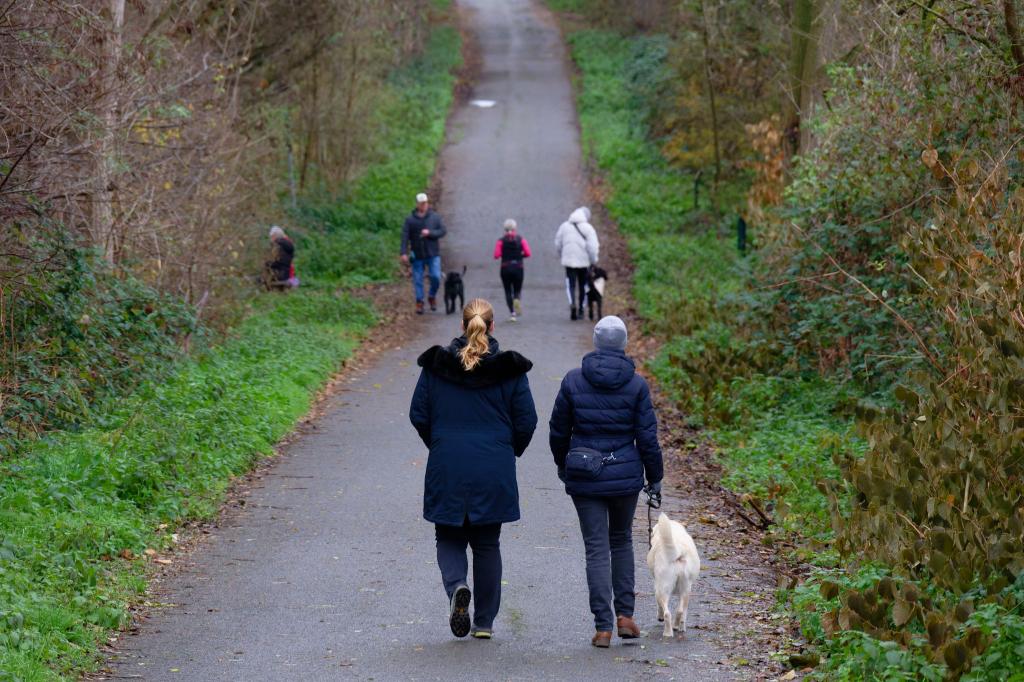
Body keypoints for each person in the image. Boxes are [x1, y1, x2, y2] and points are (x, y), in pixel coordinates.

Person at [410, 298, 538, 640]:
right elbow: (527, 421)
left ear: (461, 326)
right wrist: (508, 450)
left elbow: (418, 414)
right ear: (492, 326)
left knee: (448, 535)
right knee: (486, 543)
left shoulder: (437, 367)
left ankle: (456, 587)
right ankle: (483, 622)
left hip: (447, 462)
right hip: (492, 466)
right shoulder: (509, 370)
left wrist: (438, 443)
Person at [548, 315, 663, 648]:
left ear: (596, 343)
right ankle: (625, 616)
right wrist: (654, 478)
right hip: (625, 475)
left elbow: (558, 430)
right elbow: (647, 438)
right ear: (624, 345)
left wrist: (562, 463)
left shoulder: (573, 381)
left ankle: (602, 627)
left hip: (584, 475)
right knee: (621, 540)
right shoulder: (636, 385)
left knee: (596, 548)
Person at [400, 192, 447, 314]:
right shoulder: (410, 220)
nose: (424, 205)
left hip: (433, 254)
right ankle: (419, 302)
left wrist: (430, 233)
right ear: (417, 204)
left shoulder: (435, 217)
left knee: (436, 277)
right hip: (417, 254)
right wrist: (403, 252)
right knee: (418, 279)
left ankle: (432, 295)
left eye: (425, 203)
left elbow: (442, 231)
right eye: (421, 203)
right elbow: (405, 236)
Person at [554, 207, 599, 320]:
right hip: (584, 262)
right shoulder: (588, 228)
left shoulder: (564, 226)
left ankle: (572, 303)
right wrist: (593, 261)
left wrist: (562, 255)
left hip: (568, 260)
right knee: (583, 285)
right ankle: (581, 309)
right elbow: (593, 247)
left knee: (571, 284)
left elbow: (558, 243)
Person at [493, 218, 532, 321]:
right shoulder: (521, 240)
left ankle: (512, 313)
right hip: (518, 268)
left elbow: (496, 255)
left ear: (504, 229)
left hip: (505, 268)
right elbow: (528, 253)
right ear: (515, 228)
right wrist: (520, 255)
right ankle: (517, 299)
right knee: (517, 289)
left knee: (507, 290)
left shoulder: (500, 241)